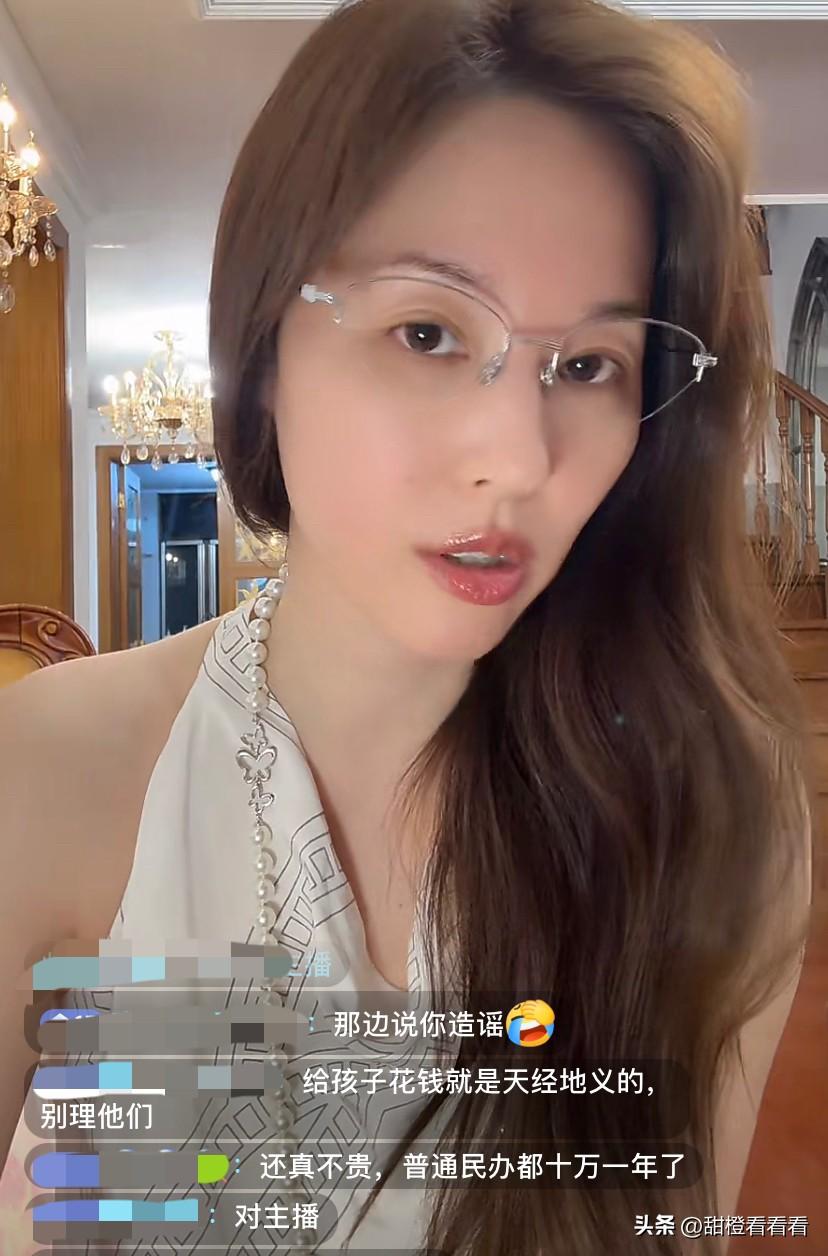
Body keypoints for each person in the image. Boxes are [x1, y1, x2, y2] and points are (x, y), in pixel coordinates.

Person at [0, 0, 814, 1252]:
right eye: (428, 331)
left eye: (589, 364)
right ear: (263, 348)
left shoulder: (715, 807)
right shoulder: (52, 771)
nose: (519, 457)